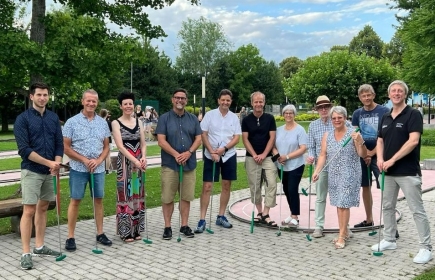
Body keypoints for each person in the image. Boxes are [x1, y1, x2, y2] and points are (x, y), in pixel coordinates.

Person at [371, 80, 432, 264]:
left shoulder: (413, 114)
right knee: (387, 207)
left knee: (417, 210)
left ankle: (426, 248)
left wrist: (392, 160)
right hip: (388, 172)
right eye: (393, 91)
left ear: (405, 94)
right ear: (389, 95)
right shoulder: (386, 116)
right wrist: (380, 159)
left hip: (407, 172)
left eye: (400, 91)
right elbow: (380, 141)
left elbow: (413, 141)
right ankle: (389, 239)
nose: (396, 93)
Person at [14, 82, 64, 270]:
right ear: (31, 97)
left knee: (43, 208)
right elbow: (24, 149)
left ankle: (40, 246)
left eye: (45, 95)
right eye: (39, 95)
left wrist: (56, 163)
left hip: (49, 171)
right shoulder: (23, 119)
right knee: (29, 210)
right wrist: (49, 163)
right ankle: (26, 253)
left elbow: (59, 144)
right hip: (31, 170)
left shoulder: (53, 118)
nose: (43, 98)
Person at [63, 89, 112, 251]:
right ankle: (70, 237)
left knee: (98, 199)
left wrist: (98, 160)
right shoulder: (72, 122)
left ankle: (100, 233)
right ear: (82, 101)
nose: (91, 104)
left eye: (94, 101)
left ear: (97, 103)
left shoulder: (102, 123)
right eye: (88, 101)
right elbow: (65, 147)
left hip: (97, 169)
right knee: (75, 200)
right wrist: (84, 160)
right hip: (78, 168)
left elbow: (106, 147)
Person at [312, 106, 367, 249]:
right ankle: (344, 231)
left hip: (350, 172)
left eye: (339, 117)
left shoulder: (353, 133)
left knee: (343, 204)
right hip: (334, 174)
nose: (337, 120)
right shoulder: (327, 135)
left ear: (345, 118)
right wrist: (317, 171)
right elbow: (323, 155)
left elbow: (362, 154)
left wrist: (360, 141)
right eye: (334, 118)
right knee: (338, 203)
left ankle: (342, 235)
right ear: (331, 120)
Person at [155, 88, 202, 240]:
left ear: (186, 100)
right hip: (170, 164)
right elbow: (161, 141)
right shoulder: (164, 118)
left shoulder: (193, 119)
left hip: (189, 165)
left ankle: (184, 225)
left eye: (182, 98)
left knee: (186, 197)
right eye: (177, 98)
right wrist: (176, 154)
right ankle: (167, 226)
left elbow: (198, 139)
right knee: (168, 197)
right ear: (172, 99)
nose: (180, 100)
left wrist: (188, 152)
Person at [194, 89, 241, 233]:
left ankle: (221, 216)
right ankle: (202, 219)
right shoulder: (210, 115)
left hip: (228, 155)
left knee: (226, 185)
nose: (225, 102)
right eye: (223, 100)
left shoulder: (234, 117)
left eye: (228, 100)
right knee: (207, 186)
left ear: (230, 102)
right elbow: (204, 134)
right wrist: (211, 151)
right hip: (210, 156)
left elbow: (236, 137)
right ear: (218, 100)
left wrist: (223, 150)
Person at [351, 84, 389, 228]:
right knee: (365, 187)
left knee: (385, 187)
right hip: (363, 155)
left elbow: (387, 134)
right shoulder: (357, 114)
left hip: (380, 155)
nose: (366, 98)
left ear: (373, 95)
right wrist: (363, 153)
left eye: (368, 95)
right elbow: (356, 135)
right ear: (360, 98)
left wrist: (371, 154)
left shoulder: (384, 111)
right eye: (363, 96)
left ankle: (389, 224)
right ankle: (369, 219)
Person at [111, 92, 147, 242]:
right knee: (125, 195)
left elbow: (143, 143)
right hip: (125, 164)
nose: (128, 106)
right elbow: (120, 146)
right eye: (125, 104)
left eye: (130, 104)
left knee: (137, 194)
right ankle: (126, 231)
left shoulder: (139, 122)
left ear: (134, 105)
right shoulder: (115, 123)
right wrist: (135, 161)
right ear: (121, 106)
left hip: (139, 163)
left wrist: (143, 157)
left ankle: (136, 229)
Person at [242, 91, 278, 227]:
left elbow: (272, 138)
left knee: (272, 184)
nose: (258, 104)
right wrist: (254, 154)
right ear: (252, 103)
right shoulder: (246, 120)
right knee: (255, 186)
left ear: (264, 102)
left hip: (267, 157)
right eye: (256, 102)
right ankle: (259, 212)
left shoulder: (269, 118)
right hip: (252, 158)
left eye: (261, 101)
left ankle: (266, 213)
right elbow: (245, 139)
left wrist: (263, 154)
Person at [272, 105, 307, 227]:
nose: (288, 115)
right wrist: (278, 157)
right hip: (281, 165)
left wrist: (287, 157)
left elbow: (303, 148)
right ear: (283, 114)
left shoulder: (300, 130)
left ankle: (295, 217)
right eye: (286, 113)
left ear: (294, 114)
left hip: (295, 165)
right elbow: (273, 145)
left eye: (291, 113)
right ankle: (292, 214)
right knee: (286, 190)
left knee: (292, 189)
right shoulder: (279, 129)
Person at [306, 95, 333, 238]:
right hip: (321, 167)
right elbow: (311, 146)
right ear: (317, 110)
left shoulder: (338, 121)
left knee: (340, 197)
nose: (324, 110)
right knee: (320, 197)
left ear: (330, 107)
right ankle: (318, 226)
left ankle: (345, 226)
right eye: (320, 108)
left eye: (326, 107)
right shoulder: (313, 126)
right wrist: (310, 156)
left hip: (337, 166)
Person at [99, 109, 113, 174]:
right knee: (108, 155)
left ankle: (104, 168)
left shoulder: (98, 122)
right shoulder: (108, 122)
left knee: (101, 154)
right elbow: (111, 131)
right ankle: (107, 169)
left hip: (100, 139)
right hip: (108, 139)